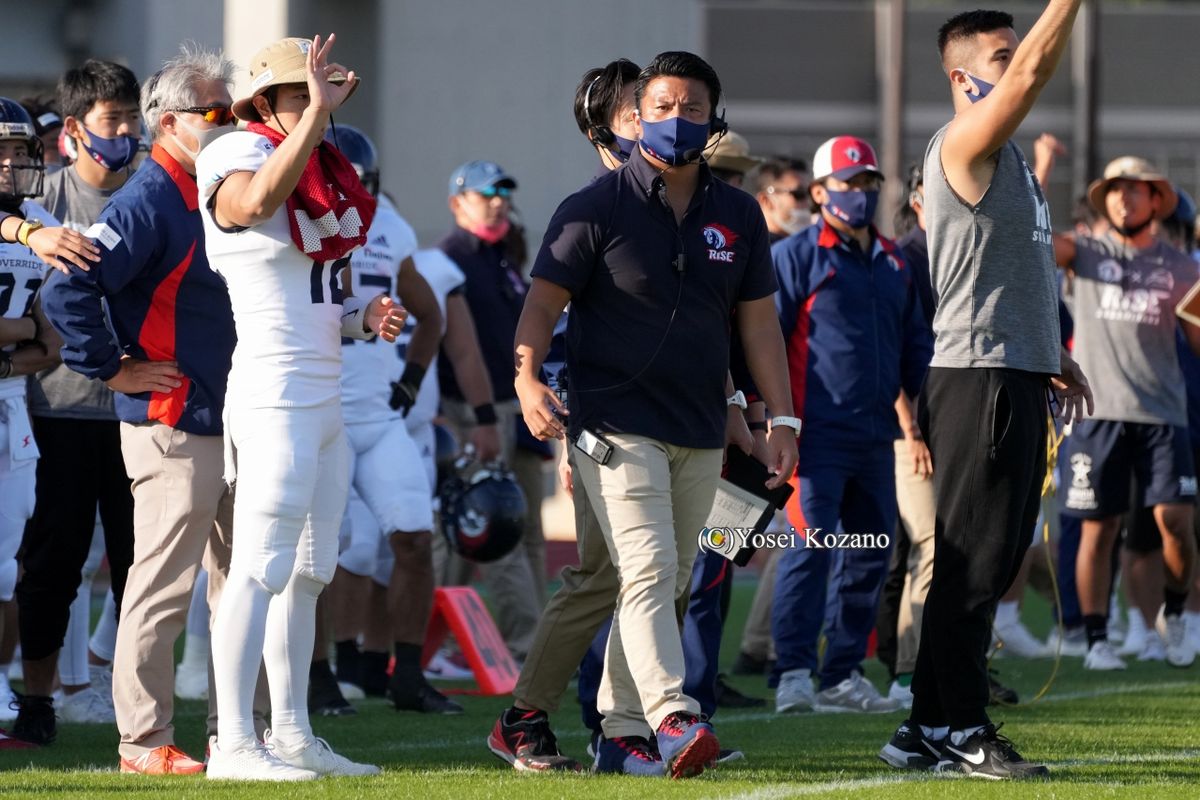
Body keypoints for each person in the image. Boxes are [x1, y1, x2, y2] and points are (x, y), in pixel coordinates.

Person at [513, 51, 798, 780]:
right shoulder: (593, 207)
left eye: (693, 107)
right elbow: (543, 304)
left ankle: (586, 729)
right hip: (610, 425)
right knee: (649, 571)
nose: (678, 120)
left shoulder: (737, 213)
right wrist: (526, 379)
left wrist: (779, 421)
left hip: (699, 426)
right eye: (663, 106)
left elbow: (756, 327)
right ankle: (672, 716)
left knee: (637, 583)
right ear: (637, 115)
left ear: (715, 116)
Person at [878, 5, 1092, 780]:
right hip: (979, 379)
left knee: (984, 561)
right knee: (974, 565)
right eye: (1002, 57)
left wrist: (1051, 355)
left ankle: (923, 727)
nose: (1021, 64)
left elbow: (1012, 277)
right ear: (964, 79)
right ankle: (963, 731)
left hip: (1011, 370)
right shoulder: (962, 142)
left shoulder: (1009, 162)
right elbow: (1035, 71)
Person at [197, 34, 400, 780]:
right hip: (272, 390)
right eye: (301, 91)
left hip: (324, 391)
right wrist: (314, 114)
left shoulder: (316, 160)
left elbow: (317, 293)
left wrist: (360, 316)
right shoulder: (231, 154)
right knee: (257, 566)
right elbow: (252, 204)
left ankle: (290, 731)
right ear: (267, 102)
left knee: (310, 571)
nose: (318, 102)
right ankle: (234, 744)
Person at [40, 46, 244, 774]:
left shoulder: (206, 191)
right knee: (161, 586)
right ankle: (143, 741)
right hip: (171, 422)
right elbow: (63, 291)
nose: (230, 124)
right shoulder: (150, 197)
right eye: (216, 113)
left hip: (226, 418)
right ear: (171, 123)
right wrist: (114, 367)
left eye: (235, 111)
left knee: (237, 588)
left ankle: (235, 733)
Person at [769, 136, 931, 715]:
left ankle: (841, 675)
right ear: (818, 193)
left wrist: (924, 420)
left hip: (874, 438)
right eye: (847, 183)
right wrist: (773, 423)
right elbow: (764, 343)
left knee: (868, 554)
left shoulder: (893, 262)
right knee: (808, 553)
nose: (860, 194)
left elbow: (915, 347)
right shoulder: (795, 256)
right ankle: (792, 672)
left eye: (868, 183)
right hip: (813, 437)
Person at [14, 58, 142, 740]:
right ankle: (38, 702)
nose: (123, 132)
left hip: (137, 414)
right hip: (56, 411)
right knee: (51, 567)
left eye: (130, 118)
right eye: (110, 120)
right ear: (74, 128)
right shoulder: (45, 202)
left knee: (139, 569)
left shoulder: (150, 194)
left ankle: (135, 709)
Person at [320, 123, 462, 715]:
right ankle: (316, 675)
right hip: (320, 415)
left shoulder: (390, 229)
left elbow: (431, 315)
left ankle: (406, 675)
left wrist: (411, 377)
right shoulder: (300, 220)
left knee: (414, 540)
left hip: (378, 419)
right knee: (323, 553)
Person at [1056, 157, 1200, 670]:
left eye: (1135, 190)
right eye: (1115, 190)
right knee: (1099, 529)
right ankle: (1096, 639)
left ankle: (1177, 616)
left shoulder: (1183, 268)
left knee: (1177, 524)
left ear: (1156, 201)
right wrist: (1042, 171)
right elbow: (1037, 246)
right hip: (1099, 414)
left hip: (1164, 416)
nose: (1123, 199)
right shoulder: (1087, 251)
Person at [434, 160, 544, 661]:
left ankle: (435, 644)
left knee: (521, 533)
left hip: (515, 407)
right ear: (458, 202)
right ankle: (526, 646)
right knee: (494, 531)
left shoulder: (503, 254)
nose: (498, 199)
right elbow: (441, 346)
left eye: (503, 191)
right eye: (485, 194)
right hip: (470, 413)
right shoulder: (448, 259)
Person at [0, 98, 67, 742]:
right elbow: (30, 331)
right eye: (0, 151)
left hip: (11, 403)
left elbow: (52, 344)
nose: (11, 164)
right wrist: (18, 329)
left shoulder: (41, 222)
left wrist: (16, 341)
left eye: (18, 152)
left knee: (6, 561)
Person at [745, 157, 810, 246]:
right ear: (766, 200)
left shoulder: (810, 247)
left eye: (810, 193)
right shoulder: (750, 249)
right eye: (799, 194)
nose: (808, 203)